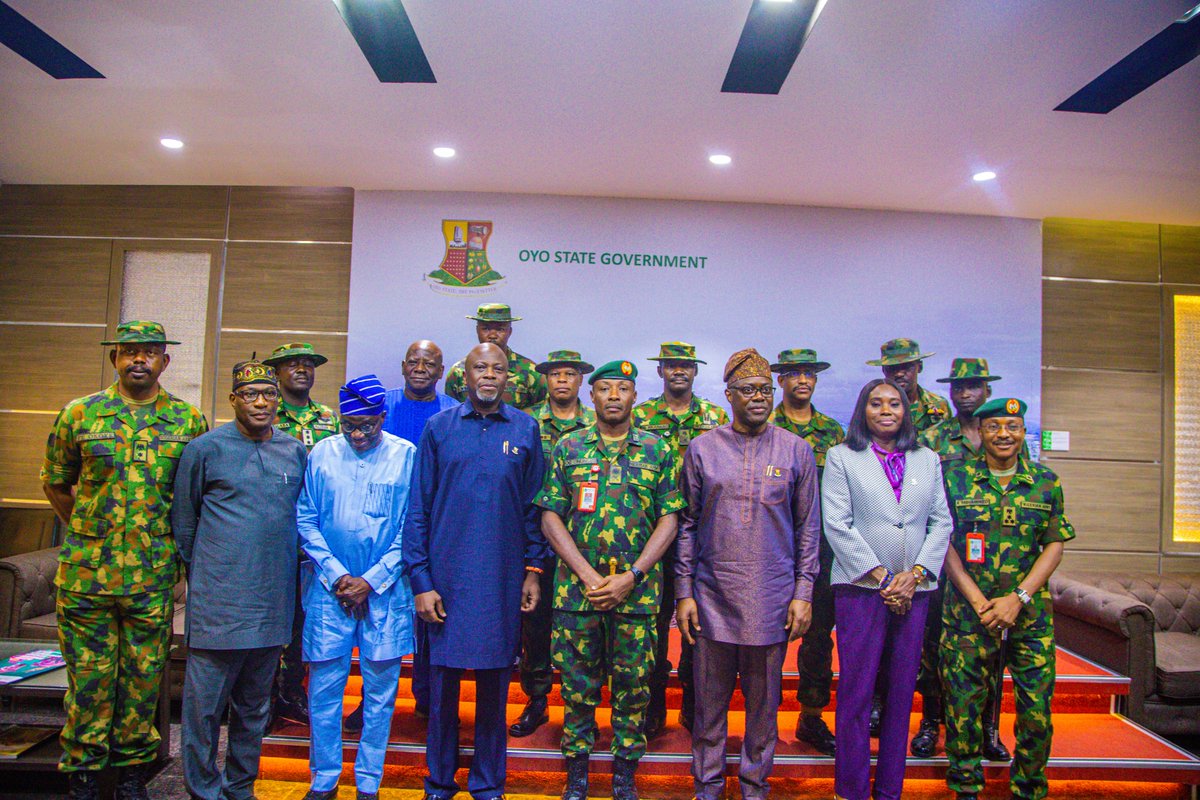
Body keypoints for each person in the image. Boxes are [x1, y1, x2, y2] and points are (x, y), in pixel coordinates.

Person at [41, 320, 208, 800]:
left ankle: (134, 773)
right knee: (89, 679)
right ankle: (84, 774)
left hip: (151, 575)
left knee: (141, 678)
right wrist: (90, 528)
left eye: (150, 352)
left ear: (165, 362)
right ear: (114, 358)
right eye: (129, 352)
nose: (139, 360)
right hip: (87, 575)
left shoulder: (186, 421)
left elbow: (190, 497)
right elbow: (55, 481)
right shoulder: (80, 414)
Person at [402, 342, 546, 800]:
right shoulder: (438, 427)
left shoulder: (525, 429)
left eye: (497, 368)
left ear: (509, 377)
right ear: (463, 376)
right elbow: (418, 509)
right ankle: (439, 782)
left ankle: (488, 783)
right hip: (445, 583)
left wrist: (533, 571)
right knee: (441, 697)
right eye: (479, 367)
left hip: (501, 581)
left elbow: (534, 509)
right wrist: (421, 581)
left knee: (493, 692)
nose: (488, 375)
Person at [536, 359, 684, 800]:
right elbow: (549, 516)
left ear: (636, 396)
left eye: (623, 388)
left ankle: (624, 773)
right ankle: (577, 771)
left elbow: (670, 519)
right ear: (592, 395)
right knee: (577, 685)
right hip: (577, 594)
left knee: (634, 686)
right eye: (605, 389)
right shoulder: (569, 448)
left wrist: (632, 576)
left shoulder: (659, 450)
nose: (614, 396)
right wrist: (586, 574)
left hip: (637, 596)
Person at [676, 348, 820, 800]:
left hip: (773, 597)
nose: (758, 397)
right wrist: (684, 591)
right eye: (747, 390)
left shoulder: (797, 450)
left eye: (764, 390)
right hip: (713, 595)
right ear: (729, 395)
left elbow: (808, 528)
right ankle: (708, 786)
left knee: (763, 708)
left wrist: (804, 591)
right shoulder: (702, 448)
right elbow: (686, 524)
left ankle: (755, 786)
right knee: (709, 706)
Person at [172, 359, 307, 800]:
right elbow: (185, 523)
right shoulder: (206, 449)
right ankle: (202, 790)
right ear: (233, 400)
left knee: (254, 709)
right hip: (219, 607)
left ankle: (239, 788)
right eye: (251, 394)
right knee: (204, 712)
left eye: (269, 393)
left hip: (272, 605)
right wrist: (212, 572)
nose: (262, 402)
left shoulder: (293, 450)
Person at [821, 378, 952, 800]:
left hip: (914, 592)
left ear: (905, 410)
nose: (885, 410)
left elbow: (941, 522)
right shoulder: (842, 457)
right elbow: (836, 525)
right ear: (864, 410)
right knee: (857, 694)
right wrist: (882, 578)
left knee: (900, 695)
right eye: (875, 403)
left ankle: (890, 791)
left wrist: (913, 576)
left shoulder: (926, 459)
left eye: (894, 403)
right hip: (861, 590)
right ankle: (851, 790)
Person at [941, 398, 1074, 800]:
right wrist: (981, 601)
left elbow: (1054, 545)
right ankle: (965, 787)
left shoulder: (1046, 482)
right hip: (967, 615)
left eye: (1012, 427)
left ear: (1022, 432)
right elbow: (942, 543)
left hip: (1029, 618)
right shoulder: (955, 479)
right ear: (980, 432)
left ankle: (1029, 789)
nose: (1004, 434)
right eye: (995, 426)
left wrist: (1018, 598)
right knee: (962, 710)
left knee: (1036, 712)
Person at [296, 375, 418, 800]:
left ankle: (369, 782)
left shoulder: (406, 456)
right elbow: (306, 518)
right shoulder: (322, 454)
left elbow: (412, 528)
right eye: (350, 426)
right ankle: (324, 779)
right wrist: (336, 575)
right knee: (324, 690)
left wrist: (371, 580)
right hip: (330, 591)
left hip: (385, 593)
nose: (359, 434)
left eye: (368, 424)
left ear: (383, 418)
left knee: (380, 695)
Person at [910, 357, 1010, 760]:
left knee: (992, 648)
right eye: (959, 387)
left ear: (986, 391)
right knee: (933, 646)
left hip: (993, 560)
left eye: (973, 386)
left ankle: (988, 726)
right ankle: (932, 722)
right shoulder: (934, 437)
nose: (965, 393)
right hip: (940, 556)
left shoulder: (1000, 435)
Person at [632, 341, 728, 736]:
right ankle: (652, 708)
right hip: (650, 536)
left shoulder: (715, 416)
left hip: (703, 535)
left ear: (694, 371)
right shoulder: (640, 416)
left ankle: (694, 705)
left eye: (685, 365)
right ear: (660, 371)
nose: (678, 371)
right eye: (671, 365)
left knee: (699, 626)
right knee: (652, 626)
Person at [511, 350, 597, 739]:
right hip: (536, 537)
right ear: (545, 379)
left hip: (586, 541)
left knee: (589, 629)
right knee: (537, 624)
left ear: (581, 381)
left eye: (570, 374)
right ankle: (538, 699)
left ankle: (588, 708)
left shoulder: (598, 422)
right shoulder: (526, 421)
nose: (562, 380)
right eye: (555, 374)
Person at [769, 347, 845, 755]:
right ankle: (766, 719)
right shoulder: (765, 424)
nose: (802, 380)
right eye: (794, 373)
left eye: (809, 374)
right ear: (780, 380)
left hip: (822, 552)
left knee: (818, 638)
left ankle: (811, 717)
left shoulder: (833, 433)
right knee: (768, 639)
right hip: (773, 549)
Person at [261, 342, 339, 727]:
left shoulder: (329, 418)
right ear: (276, 373)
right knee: (272, 620)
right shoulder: (264, 415)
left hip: (317, 539)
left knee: (304, 620)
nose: (301, 370)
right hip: (272, 533)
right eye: (292, 365)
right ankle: (263, 699)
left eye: (308, 365)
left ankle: (293, 691)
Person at [382, 340, 458, 723]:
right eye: (413, 361)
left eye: (429, 363)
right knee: (383, 616)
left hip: (432, 526)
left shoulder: (452, 412)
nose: (421, 368)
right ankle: (375, 701)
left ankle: (426, 697)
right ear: (403, 365)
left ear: (441, 371)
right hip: (384, 525)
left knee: (429, 616)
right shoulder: (383, 404)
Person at [444, 303, 547, 410]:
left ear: (509, 332)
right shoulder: (459, 371)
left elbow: (540, 413)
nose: (492, 335)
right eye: (486, 329)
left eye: (500, 329)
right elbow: (452, 413)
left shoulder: (530, 371)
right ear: (477, 330)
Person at [866, 338, 950, 433]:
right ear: (883, 370)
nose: (899, 374)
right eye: (892, 368)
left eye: (906, 367)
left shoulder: (938, 405)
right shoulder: (872, 408)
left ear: (920, 367)